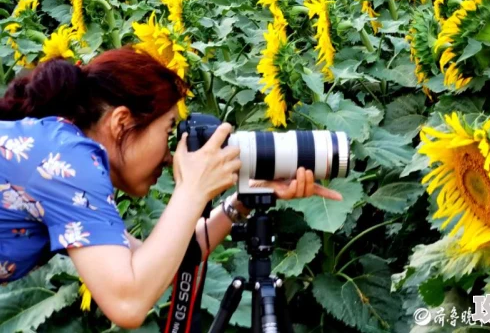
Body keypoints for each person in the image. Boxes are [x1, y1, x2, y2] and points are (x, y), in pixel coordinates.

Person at [0, 47, 342, 329]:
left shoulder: (57, 152)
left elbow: (150, 262)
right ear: (121, 122)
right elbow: (128, 302)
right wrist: (191, 191)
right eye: (168, 131)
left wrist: (243, 200)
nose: (170, 156)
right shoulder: (67, 158)